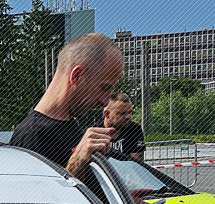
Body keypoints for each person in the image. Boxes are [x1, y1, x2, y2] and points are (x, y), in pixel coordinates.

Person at [8, 32, 126, 175]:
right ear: (77, 76)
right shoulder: (31, 136)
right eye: (104, 88)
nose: (105, 101)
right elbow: (39, 190)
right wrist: (77, 162)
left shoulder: (68, 124)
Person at [104, 93, 146, 160]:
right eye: (122, 113)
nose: (128, 117)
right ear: (107, 114)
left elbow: (136, 162)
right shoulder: (95, 131)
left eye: (130, 112)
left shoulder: (134, 129)